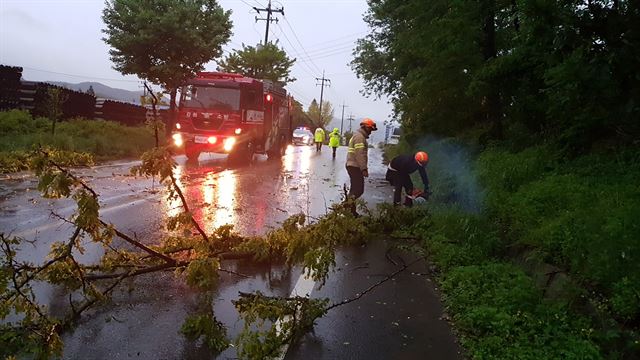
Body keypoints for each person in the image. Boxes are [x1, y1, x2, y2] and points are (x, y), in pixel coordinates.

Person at [345, 118, 377, 216]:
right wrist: (364, 169)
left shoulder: (358, 136)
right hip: (355, 166)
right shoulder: (359, 137)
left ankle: (351, 212)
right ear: (366, 127)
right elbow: (360, 154)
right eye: (370, 129)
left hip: (352, 165)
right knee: (358, 190)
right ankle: (346, 206)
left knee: (354, 190)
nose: (371, 132)